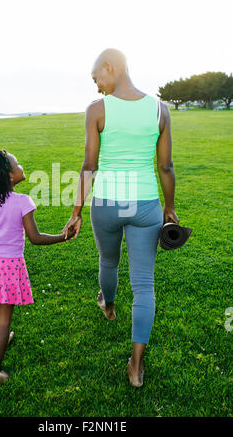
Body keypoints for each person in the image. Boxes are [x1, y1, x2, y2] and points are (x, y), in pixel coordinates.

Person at [62, 48, 179, 387]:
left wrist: (76, 211)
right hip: (145, 204)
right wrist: (168, 208)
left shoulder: (97, 110)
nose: (97, 86)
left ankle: (109, 305)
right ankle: (137, 366)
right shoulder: (160, 110)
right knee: (144, 285)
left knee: (109, 262)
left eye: (96, 77)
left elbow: (89, 165)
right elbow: (166, 166)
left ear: (110, 68)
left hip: (108, 203)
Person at [0, 149, 75, 391]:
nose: (21, 165)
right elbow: (35, 238)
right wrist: (62, 236)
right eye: (17, 163)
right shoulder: (22, 201)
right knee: (4, 321)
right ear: (9, 176)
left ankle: (2, 336)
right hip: (7, 266)